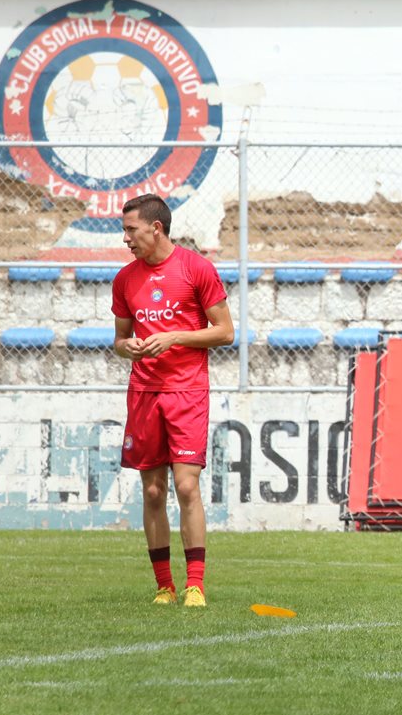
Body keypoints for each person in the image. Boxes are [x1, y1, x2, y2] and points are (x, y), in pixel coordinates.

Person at [112, 193, 235, 607]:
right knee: (151, 492)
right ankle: (164, 586)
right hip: (144, 391)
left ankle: (195, 585)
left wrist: (176, 336)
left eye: (131, 230)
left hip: (186, 391)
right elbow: (118, 340)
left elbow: (225, 332)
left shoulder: (196, 269)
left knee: (186, 485)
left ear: (155, 228)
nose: (125, 238)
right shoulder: (124, 279)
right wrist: (126, 348)